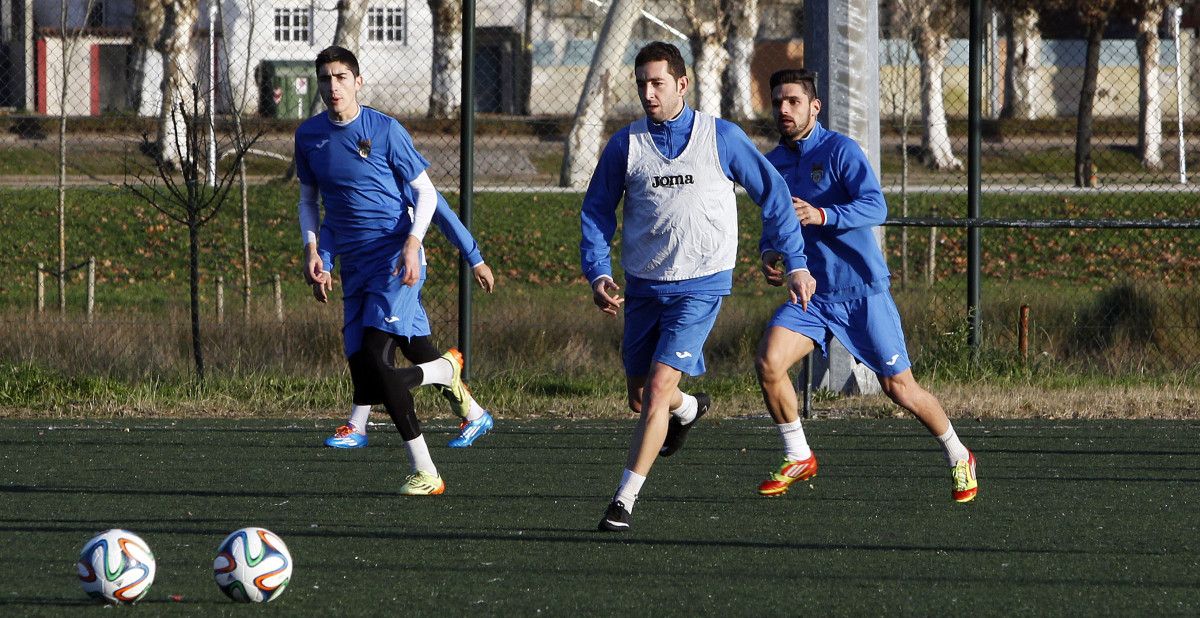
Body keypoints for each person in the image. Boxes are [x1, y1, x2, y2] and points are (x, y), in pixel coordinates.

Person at [580, 42, 816, 532]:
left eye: (657, 83)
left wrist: (795, 263)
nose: (648, 92)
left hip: (701, 284)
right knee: (643, 397)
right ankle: (688, 409)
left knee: (660, 386)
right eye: (641, 83)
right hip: (644, 286)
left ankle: (623, 501)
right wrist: (598, 272)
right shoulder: (626, 144)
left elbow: (773, 197)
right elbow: (597, 212)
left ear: (682, 84)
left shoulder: (721, 137)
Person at [754, 68, 977, 503]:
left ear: (814, 107)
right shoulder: (773, 163)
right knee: (768, 362)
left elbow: (876, 205)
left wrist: (823, 215)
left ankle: (958, 454)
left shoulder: (840, 151)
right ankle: (798, 453)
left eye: (793, 101)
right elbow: (774, 219)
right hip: (811, 295)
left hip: (860, 293)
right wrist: (769, 252)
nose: (784, 109)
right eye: (778, 101)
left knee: (900, 389)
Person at [295, 45, 481, 496]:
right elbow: (310, 201)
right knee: (369, 359)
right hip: (356, 269)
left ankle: (427, 471)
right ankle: (460, 395)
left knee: (379, 362)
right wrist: (315, 252)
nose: (333, 86)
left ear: (358, 82)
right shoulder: (309, 136)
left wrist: (422, 245)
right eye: (325, 78)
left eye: (341, 77)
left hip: (396, 262)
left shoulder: (385, 130)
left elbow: (428, 195)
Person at [319, 192, 497, 450]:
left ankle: (358, 425)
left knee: (376, 346)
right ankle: (475, 414)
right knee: (412, 347)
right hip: (359, 270)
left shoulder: (397, 163)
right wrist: (324, 262)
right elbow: (333, 217)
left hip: (397, 270)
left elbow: (440, 210)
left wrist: (475, 259)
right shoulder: (339, 163)